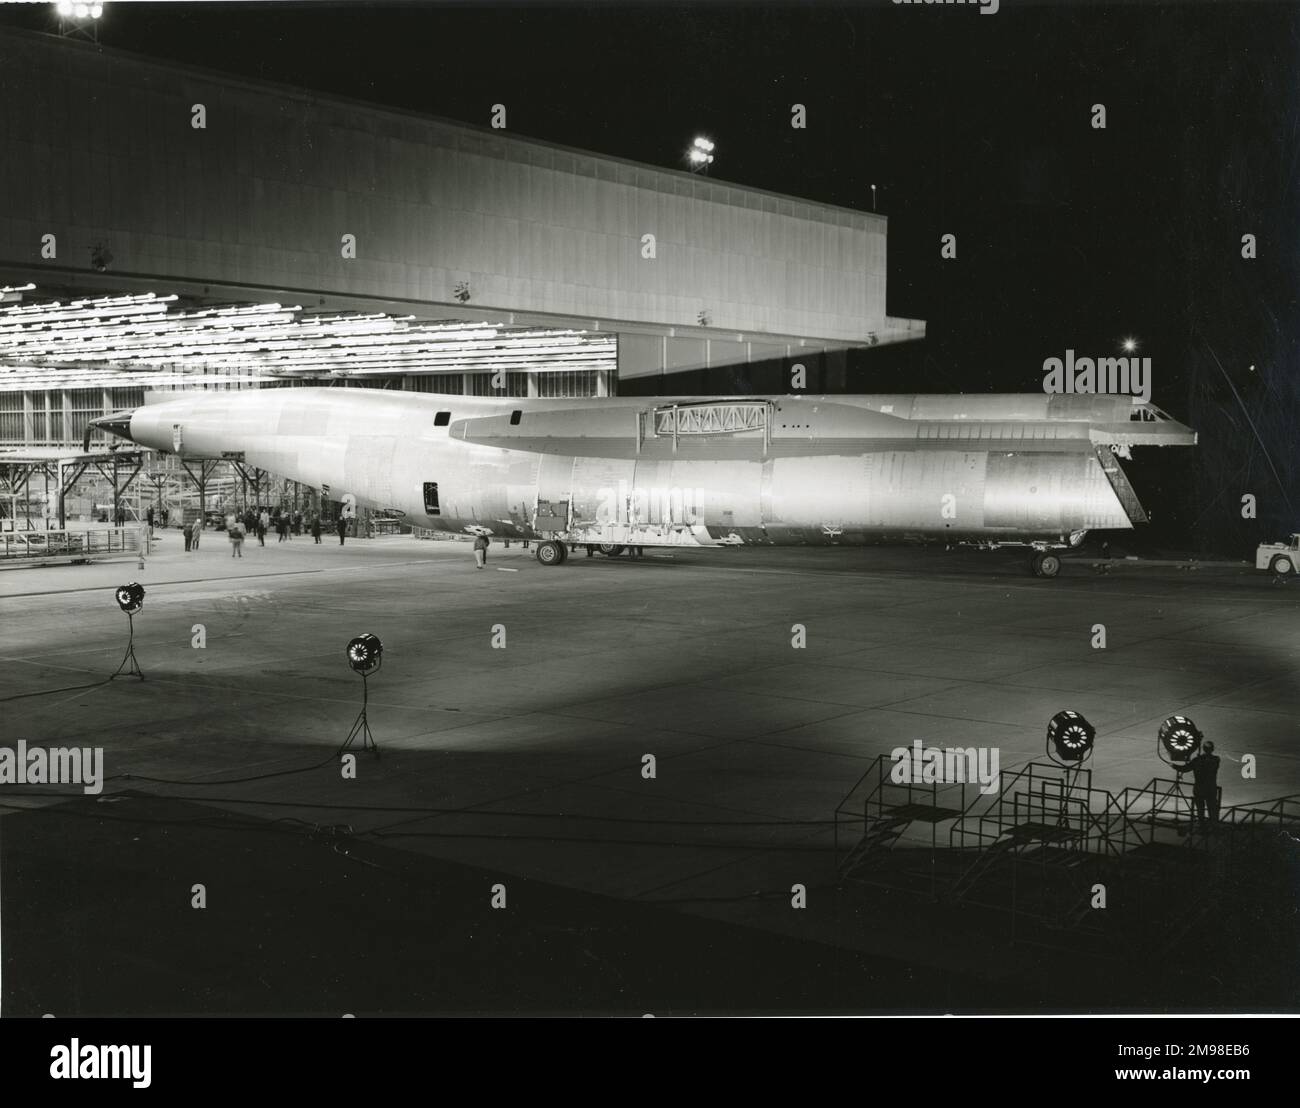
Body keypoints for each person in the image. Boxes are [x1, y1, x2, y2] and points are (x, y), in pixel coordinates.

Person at [1173, 741, 1222, 833]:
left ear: (1203, 748)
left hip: (1199, 788)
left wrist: (1174, 766)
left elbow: (1185, 768)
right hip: (1211, 788)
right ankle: (1213, 825)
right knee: (1212, 808)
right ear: (1212, 749)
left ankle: (1202, 825)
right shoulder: (1216, 760)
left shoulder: (1197, 760)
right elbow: (1211, 764)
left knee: (1200, 808)